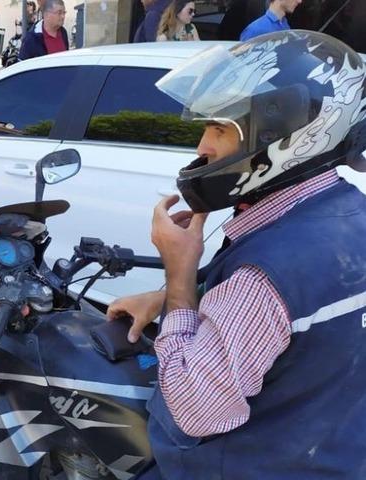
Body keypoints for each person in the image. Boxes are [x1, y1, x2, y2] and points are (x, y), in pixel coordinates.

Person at [107, 30, 366, 479]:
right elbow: (299, 320)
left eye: (220, 128)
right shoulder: (348, 212)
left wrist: (181, 277)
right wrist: (169, 296)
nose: (202, 149)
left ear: (283, 136)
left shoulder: (262, 280)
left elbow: (193, 412)